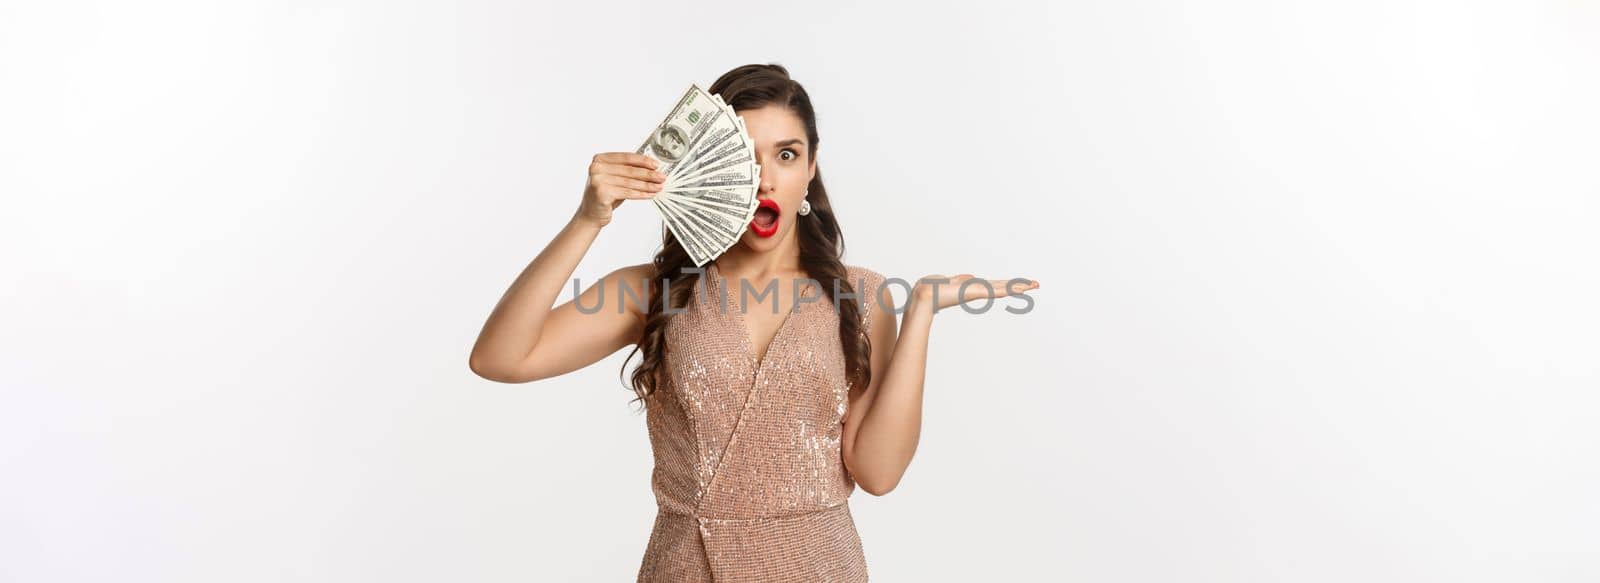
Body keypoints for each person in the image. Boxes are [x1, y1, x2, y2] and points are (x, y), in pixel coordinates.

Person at [468, 63, 1039, 582]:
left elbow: (878, 472)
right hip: (687, 566)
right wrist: (588, 220)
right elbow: (499, 358)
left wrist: (919, 316)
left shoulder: (861, 295)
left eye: (786, 154)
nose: (765, 179)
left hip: (822, 567)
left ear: (811, 169)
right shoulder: (652, 291)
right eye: (745, 156)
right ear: (706, 167)